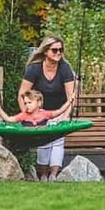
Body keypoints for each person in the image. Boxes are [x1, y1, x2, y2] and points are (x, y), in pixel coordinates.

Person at [18, 35, 75, 182]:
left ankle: (53, 175)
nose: (58, 53)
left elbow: (71, 96)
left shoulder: (65, 68)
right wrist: (28, 115)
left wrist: (66, 115)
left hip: (59, 110)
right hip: (40, 113)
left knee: (58, 141)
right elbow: (22, 94)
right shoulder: (34, 69)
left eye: (61, 50)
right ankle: (43, 174)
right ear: (45, 51)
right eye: (54, 50)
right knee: (43, 143)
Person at [0, 89, 74, 125]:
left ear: (39, 103)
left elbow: (60, 111)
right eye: (25, 103)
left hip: (43, 137)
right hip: (30, 137)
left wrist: (69, 101)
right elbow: (8, 119)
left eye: (30, 102)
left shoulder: (45, 114)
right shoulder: (24, 115)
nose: (27, 105)